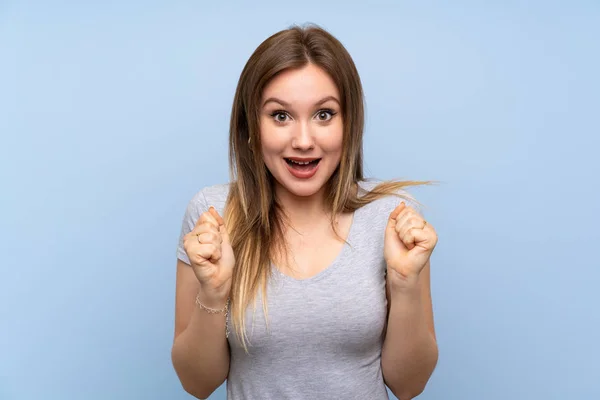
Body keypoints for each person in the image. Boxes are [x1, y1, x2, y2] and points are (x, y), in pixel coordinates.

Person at [171, 24, 439, 400]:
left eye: (324, 115)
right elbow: (196, 383)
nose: (303, 140)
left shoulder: (392, 219)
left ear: (350, 124)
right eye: (280, 116)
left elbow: (409, 386)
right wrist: (214, 293)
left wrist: (405, 286)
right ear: (252, 128)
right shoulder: (213, 217)